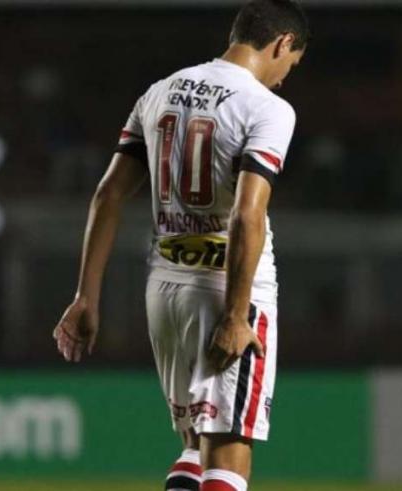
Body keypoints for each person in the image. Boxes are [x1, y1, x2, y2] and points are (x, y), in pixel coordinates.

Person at [53, 2, 308, 489]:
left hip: (165, 288)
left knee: (195, 446)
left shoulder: (159, 92)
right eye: (289, 65)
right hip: (229, 289)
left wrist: (86, 296)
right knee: (228, 457)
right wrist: (236, 315)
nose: (283, 79)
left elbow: (108, 194)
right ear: (281, 44)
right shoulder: (267, 108)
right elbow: (246, 213)